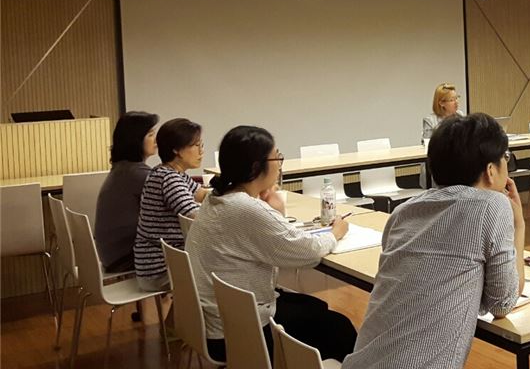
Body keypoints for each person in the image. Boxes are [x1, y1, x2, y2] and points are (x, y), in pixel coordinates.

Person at [343, 113, 524, 369]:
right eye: (505, 157)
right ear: (490, 171)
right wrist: (519, 226)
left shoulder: (403, 211)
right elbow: (502, 303)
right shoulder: (492, 205)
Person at [187, 126, 356, 365]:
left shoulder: (217, 197)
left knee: (315, 306)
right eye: (277, 157)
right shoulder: (245, 208)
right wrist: (335, 233)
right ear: (256, 167)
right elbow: (307, 252)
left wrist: (273, 211)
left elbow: (275, 242)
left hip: (219, 318)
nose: (280, 165)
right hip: (241, 331)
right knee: (339, 327)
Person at [133, 118, 209, 291]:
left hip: (160, 263)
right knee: (228, 270)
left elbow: (202, 194)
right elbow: (195, 215)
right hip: (160, 269)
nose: (201, 151)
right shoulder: (169, 178)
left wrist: (231, 193)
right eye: (196, 145)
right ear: (176, 150)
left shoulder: (168, 172)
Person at [94, 111, 160, 273]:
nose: (156, 140)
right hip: (124, 257)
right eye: (151, 135)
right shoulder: (136, 173)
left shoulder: (123, 168)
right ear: (135, 140)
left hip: (112, 254)